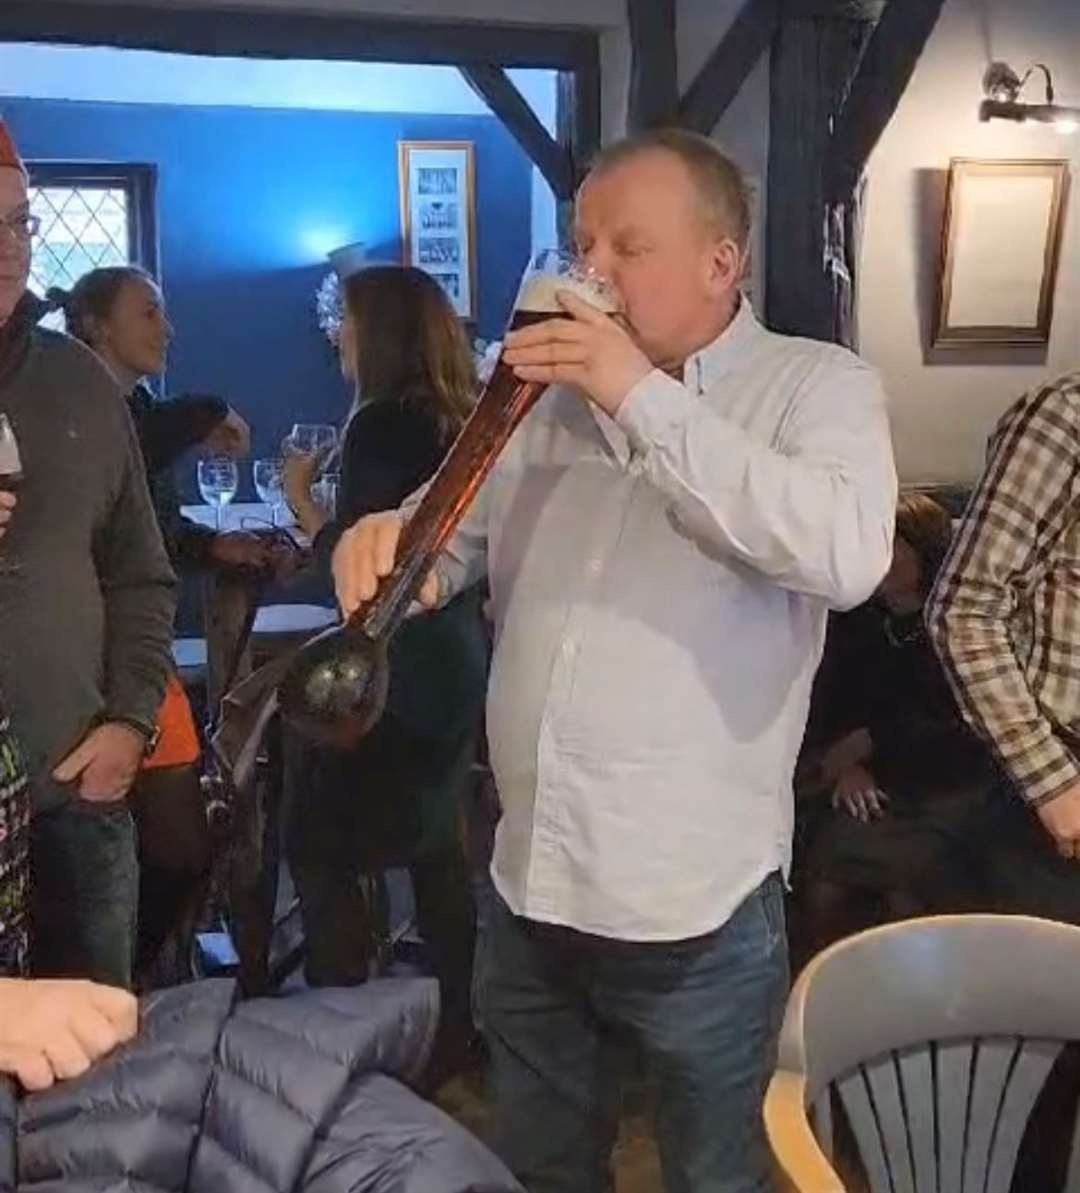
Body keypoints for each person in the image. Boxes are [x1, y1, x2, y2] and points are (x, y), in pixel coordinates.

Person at [332, 129, 897, 1192]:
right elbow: (450, 530)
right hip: (531, 883)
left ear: (721, 261)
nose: (590, 270)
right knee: (542, 1167)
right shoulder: (544, 403)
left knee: (714, 1174)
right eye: (583, 242)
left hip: (698, 902)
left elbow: (847, 552)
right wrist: (388, 539)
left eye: (626, 246)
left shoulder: (814, 386)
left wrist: (636, 390)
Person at [283, 265, 488, 1079]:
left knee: (318, 841)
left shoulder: (379, 426)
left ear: (379, 333)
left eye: (347, 320)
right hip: (451, 664)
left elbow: (367, 561)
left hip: (394, 675)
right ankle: (455, 1025)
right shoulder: (455, 418)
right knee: (437, 845)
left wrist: (302, 497)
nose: (337, 334)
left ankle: (350, 1035)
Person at [0, 118, 176, 988]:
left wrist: (130, 722)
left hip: (74, 783)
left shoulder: (78, 382)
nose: (8, 249)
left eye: (19, 223)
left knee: (96, 1077)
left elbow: (142, 572)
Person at [797, 494, 997, 960]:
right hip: (872, 782)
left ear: (922, 551)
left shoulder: (958, 628)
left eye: (892, 546)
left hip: (945, 789)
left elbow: (959, 728)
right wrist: (849, 765)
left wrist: (874, 744)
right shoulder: (853, 623)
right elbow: (831, 707)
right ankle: (819, 981)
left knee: (909, 886)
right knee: (826, 877)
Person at [927, 370, 1080, 922]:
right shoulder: (1066, 417)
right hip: (1060, 791)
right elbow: (966, 608)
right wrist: (1054, 786)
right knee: (1047, 1002)